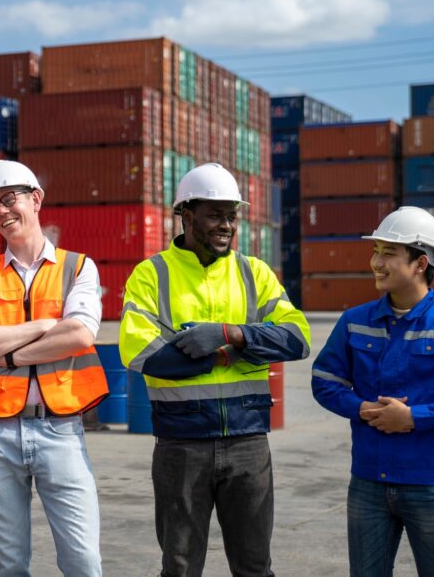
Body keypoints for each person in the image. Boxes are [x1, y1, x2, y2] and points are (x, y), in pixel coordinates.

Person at [119, 163, 311, 577]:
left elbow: (297, 339)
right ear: (187, 215)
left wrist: (229, 335)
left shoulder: (254, 273)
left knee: (256, 567)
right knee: (181, 566)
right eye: (215, 214)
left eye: (232, 215)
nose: (226, 225)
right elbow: (143, 356)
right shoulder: (152, 275)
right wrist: (240, 351)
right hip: (181, 445)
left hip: (249, 443)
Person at [311, 206, 434, 577]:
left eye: (388, 253)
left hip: (433, 484)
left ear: (420, 263)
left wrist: (413, 418)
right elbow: (325, 381)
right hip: (369, 481)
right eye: (375, 251)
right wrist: (362, 407)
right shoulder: (355, 322)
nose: (376, 262)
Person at [0, 160, 108, 577]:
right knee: (9, 566)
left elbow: (79, 335)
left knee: (84, 562)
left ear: (35, 199)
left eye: (9, 199)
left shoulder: (78, 267)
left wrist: (4, 353)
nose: (2, 212)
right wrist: (42, 326)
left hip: (60, 427)